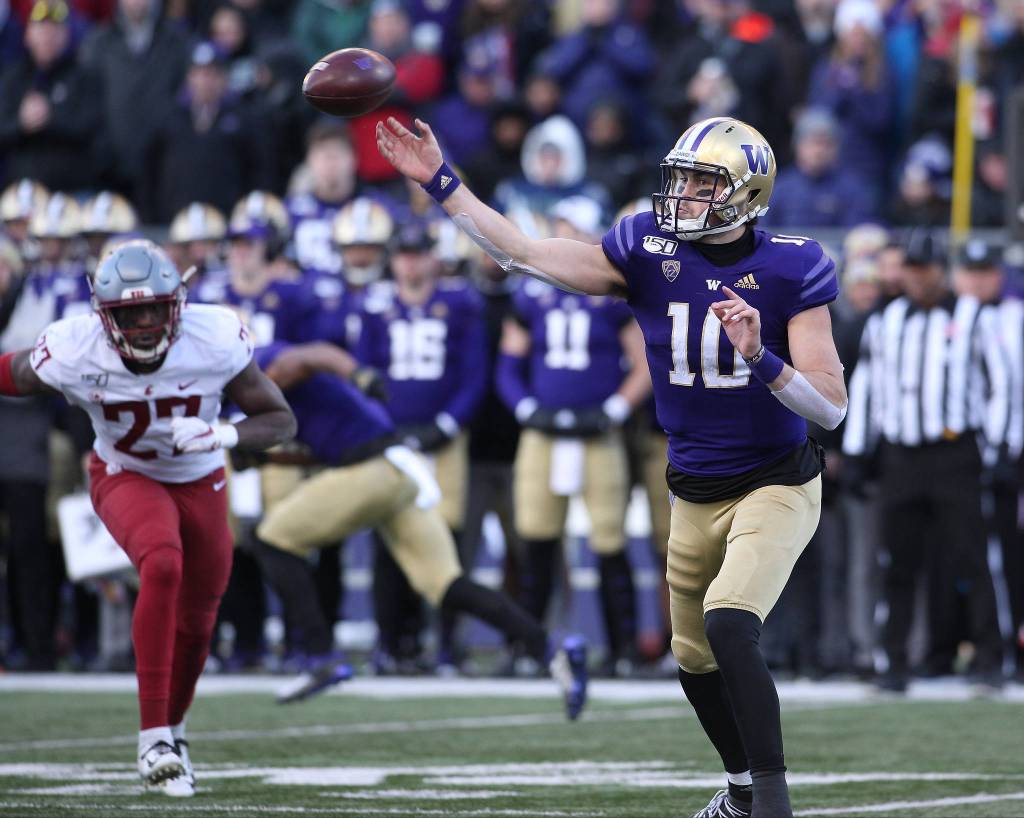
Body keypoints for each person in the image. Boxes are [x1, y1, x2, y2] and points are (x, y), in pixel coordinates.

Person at [376, 114, 848, 818]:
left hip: (775, 479)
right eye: (681, 179)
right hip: (692, 487)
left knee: (728, 621)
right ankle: (741, 790)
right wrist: (443, 184)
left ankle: (773, 805)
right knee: (693, 658)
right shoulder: (645, 249)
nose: (682, 195)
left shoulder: (792, 265)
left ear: (746, 193)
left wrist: (760, 357)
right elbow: (523, 254)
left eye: (702, 184)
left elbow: (830, 408)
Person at [0, 239, 296, 796]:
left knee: (199, 620)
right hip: (125, 473)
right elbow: (13, 372)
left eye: (153, 310)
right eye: (128, 314)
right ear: (102, 314)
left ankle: (174, 734)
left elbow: (281, 420)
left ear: (177, 303)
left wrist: (223, 434)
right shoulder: (75, 349)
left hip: (202, 478)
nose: (142, 325)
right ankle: (153, 738)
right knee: (162, 563)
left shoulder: (214, 337)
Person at [246, 339, 588, 717]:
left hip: (371, 469)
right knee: (445, 583)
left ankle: (319, 656)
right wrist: (268, 459)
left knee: (272, 539)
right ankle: (551, 647)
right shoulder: (240, 388)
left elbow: (312, 356)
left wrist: (357, 373)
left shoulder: (256, 366)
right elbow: (321, 445)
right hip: (396, 467)